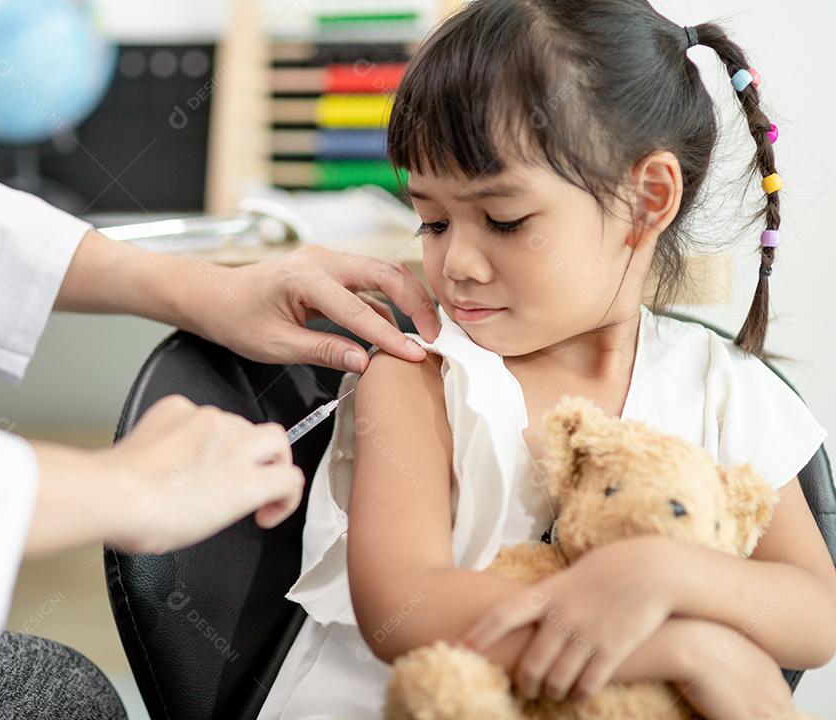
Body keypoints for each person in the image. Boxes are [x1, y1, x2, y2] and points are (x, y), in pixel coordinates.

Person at [0, 40, 443, 718]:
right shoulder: (406, 384)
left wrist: (197, 287)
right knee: (49, 702)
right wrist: (111, 487)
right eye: (434, 222)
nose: (464, 265)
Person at [257, 3, 836, 719]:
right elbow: (404, 610)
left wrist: (664, 573)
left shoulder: (724, 389)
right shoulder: (416, 374)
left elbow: (817, 615)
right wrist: (691, 650)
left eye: (503, 221)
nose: (457, 263)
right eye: (432, 220)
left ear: (646, 200)